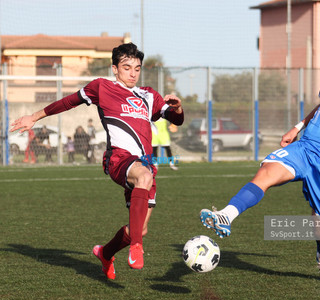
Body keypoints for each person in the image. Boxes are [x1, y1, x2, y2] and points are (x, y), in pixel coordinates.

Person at [10, 42, 184, 279]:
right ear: (115, 68)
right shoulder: (101, 87)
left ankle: (105, 253)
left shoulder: (148, 94)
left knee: (139, 229)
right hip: (119, 159)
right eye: (126, 67)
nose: (132, 73)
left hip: (145, 164)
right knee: (144, 178)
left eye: (137, 68)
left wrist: (178, 108)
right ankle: (136, 249)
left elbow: (175, 118)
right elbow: (68, 101)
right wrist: (35, 116)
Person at [200, 102, 320, 268]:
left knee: (317, 217)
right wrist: (297, 127)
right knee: (266, 172)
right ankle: (226, 215)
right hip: (306, 147)